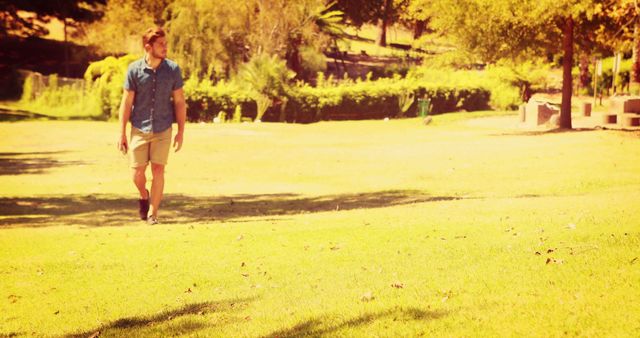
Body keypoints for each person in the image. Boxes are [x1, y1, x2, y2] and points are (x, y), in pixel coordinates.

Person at [117, 27, 186, 225]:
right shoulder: (134, 70)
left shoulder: (173, 70)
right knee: (137, 174)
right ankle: (143, 195)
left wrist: (181, 131)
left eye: (166, 43)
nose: (165, 47)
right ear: (148, 47)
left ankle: (152, 214)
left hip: (163, 128)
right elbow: (127, 102)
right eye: (160, 44)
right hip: (139, 127)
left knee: (158, 171)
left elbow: (180, 102)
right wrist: (121, 132)